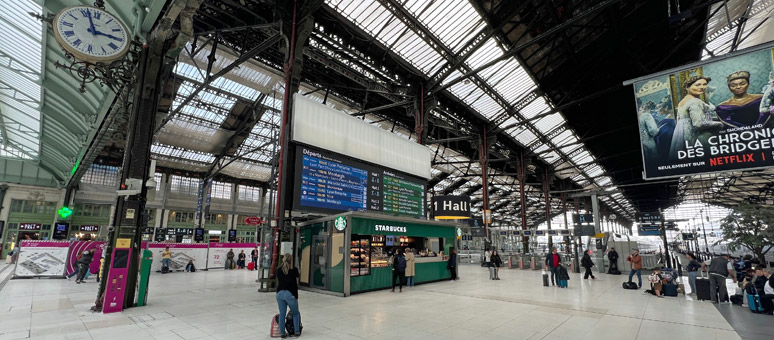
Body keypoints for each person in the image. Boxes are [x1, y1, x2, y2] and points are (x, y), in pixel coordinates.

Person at [669, 75, 723, 159]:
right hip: (698, 137)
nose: (702, 87)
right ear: (687, 87)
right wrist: (719, 124)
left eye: (704, 84)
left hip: (684, 136)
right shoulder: (695, 101)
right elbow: (699, 123)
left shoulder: (682, 101)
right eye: (698, 85)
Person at [275, 253, 301, 338]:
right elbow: (298, 276)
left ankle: (282, 333)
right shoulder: (294, 270)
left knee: (282, 314)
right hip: (290, 294)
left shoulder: (278, 269)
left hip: (279, 293)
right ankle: (296, 331)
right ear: (291, 261)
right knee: (295, 313)